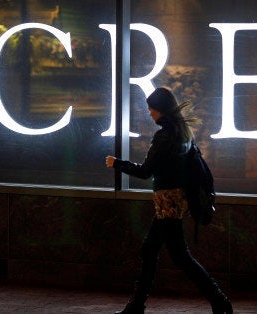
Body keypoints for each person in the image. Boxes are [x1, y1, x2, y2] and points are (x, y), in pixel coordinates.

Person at [105, 87, 233, 314]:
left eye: (151, 108)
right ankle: (137, 306)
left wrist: (117, 163)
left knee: (179, 256)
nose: (149, 113)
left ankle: (219, 300)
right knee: (151, 250)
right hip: (175, 200)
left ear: (160, 109)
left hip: (168, 203)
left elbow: (146, 171)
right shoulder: (183, 132)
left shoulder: (164, 136)